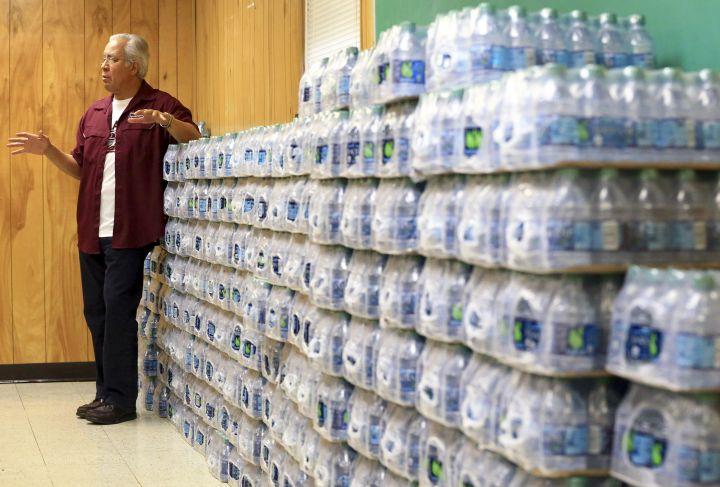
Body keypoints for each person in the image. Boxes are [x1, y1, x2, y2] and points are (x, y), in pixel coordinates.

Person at [7, 33, 200, 424]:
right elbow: (81, 168)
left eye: (111, 60)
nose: (103, 67)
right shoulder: (94, 113)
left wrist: (164, 122)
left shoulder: (160, 105)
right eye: (103, 59)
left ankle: (121, 401)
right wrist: (48, 151)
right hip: (93, 232)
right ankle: (104, 393)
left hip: (132, 231)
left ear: (134, 65)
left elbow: (193, 135)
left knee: (117, 311)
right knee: (96, 313)